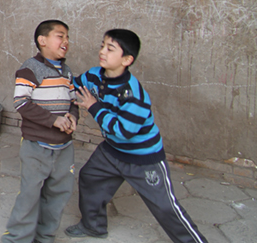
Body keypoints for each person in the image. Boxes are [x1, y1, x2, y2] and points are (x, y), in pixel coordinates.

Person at [66, 29, 207, 242]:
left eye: (110, 49)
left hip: (142, 157)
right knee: (89, 178)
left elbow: (123, 132)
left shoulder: (133, 95)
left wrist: (93, 107)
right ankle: (93, 226)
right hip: (111, 151)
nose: (102, 51)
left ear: (127, 59)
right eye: (102, 45)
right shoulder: (94, 75)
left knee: (164, 206)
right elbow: (73, 85)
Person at [2, 20, 79, 243]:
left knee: (58, 195)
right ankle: (17, 238)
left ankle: (45, 237)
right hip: (37, 146)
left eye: (67, 37)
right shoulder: (30, 69)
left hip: (64, 148)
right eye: (60, 36)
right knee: (29, 195)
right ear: (42, 41)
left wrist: (73, 116)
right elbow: (21, 103)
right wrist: (53, 120)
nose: (66, 41)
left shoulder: (66, 71)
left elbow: (72, 101)